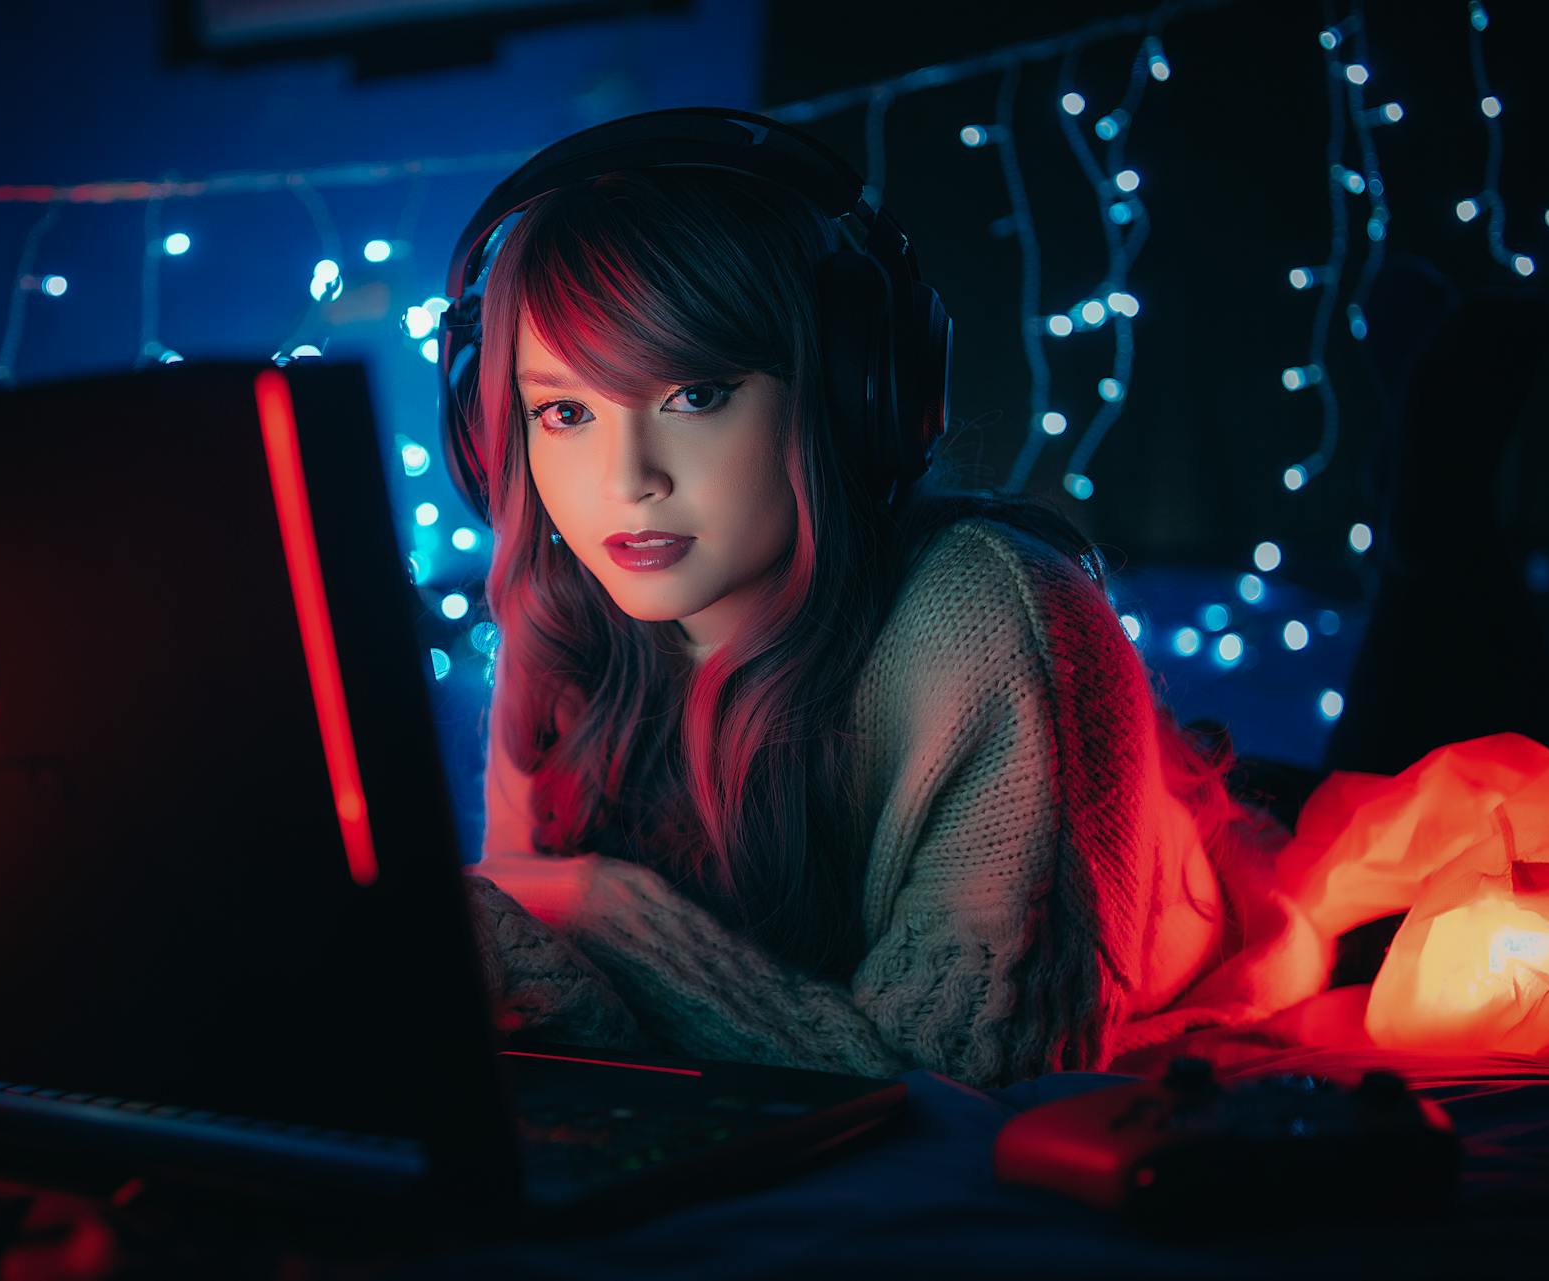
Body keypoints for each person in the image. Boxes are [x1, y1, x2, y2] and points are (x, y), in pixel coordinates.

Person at [457, 151, 1325, 1090]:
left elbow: (950, 1081)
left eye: (694, 395)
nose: (627, 481)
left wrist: (600, 915)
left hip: (1238, 863)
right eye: (566, 411)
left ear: (843, 391)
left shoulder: (996, 617)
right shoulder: (565, 610)